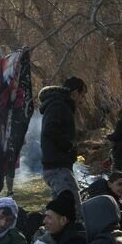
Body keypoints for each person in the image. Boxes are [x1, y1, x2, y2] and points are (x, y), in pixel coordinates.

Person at [38, 76, 87, 204]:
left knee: (61, 212)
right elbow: (50, 130)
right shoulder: (59, 106)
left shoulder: (60, 105)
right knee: (74, 210)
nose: (83, 101)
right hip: (58, 167)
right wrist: (69, 145)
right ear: (75, 93)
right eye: (83, 96)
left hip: (57, 166)